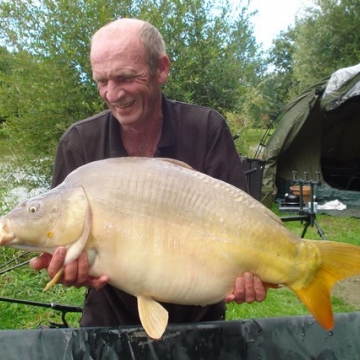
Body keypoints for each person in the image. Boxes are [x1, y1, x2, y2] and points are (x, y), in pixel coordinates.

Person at [30, 18, 267, 327]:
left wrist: (251, 275)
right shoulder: (79, 143)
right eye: (101, 81)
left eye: (126, 77)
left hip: (200, 321)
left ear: (162, 69)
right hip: (109, 322)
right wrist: (67, 269)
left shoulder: (206, 128)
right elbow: (61, 241)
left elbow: (242, 224)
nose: (112, 94)